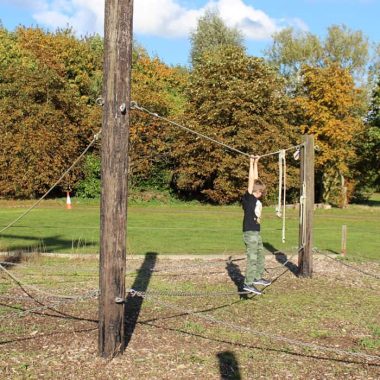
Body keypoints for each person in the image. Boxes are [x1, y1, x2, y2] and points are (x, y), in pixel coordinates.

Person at [242, 155, 271, 295]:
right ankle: (248, 283)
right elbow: (251, 181)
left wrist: (256, 162)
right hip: (250, 233)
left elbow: (256, 180)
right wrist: (250, 162)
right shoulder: (249, 199)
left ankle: (257, 277)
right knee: (252, 258)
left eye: (261, 191)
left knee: (261, 255)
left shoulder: (256, 198)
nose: (260, 193)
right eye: (258, 191)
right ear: (253, 191)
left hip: (256, 232)